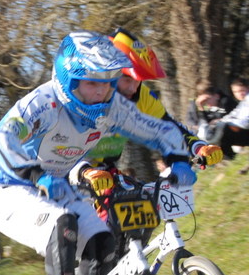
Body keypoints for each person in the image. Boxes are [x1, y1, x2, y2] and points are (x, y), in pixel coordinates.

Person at [0, 31, 200, 275]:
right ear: (69, 80)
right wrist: (35, 173)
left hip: (57, 185)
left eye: (109, 81)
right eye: (91, 82)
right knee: (63, 225)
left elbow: (158, 129)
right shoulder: (43, 104)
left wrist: (179, 159)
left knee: (102, 241)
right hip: (8, 187)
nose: (102, 91)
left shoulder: (110, 106)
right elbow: (0, 139)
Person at [81, 28, 221, 171]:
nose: (133, 89)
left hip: (104, 168)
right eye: (127, 79)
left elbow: (169, 128)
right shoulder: (81, 97)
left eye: (138, 81)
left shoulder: (140, 95)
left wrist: (198, 147)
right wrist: (84, 172)